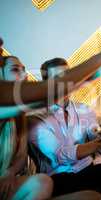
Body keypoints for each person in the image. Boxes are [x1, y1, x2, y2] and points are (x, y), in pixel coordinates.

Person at [28, 58, 101, 200]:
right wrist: (99, 143)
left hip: (87, 169)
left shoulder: (84, 109)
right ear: (46, 84)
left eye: (69, 76)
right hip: (58, 178)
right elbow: (60, 155)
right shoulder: (35, 117)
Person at [0, 56, 53, 200]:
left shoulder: (21, 115)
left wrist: (9, 172)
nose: (24, 75)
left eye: (24, 70)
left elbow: (21, 156)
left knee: (43, 183)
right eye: (15, 70)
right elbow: (46, 95)